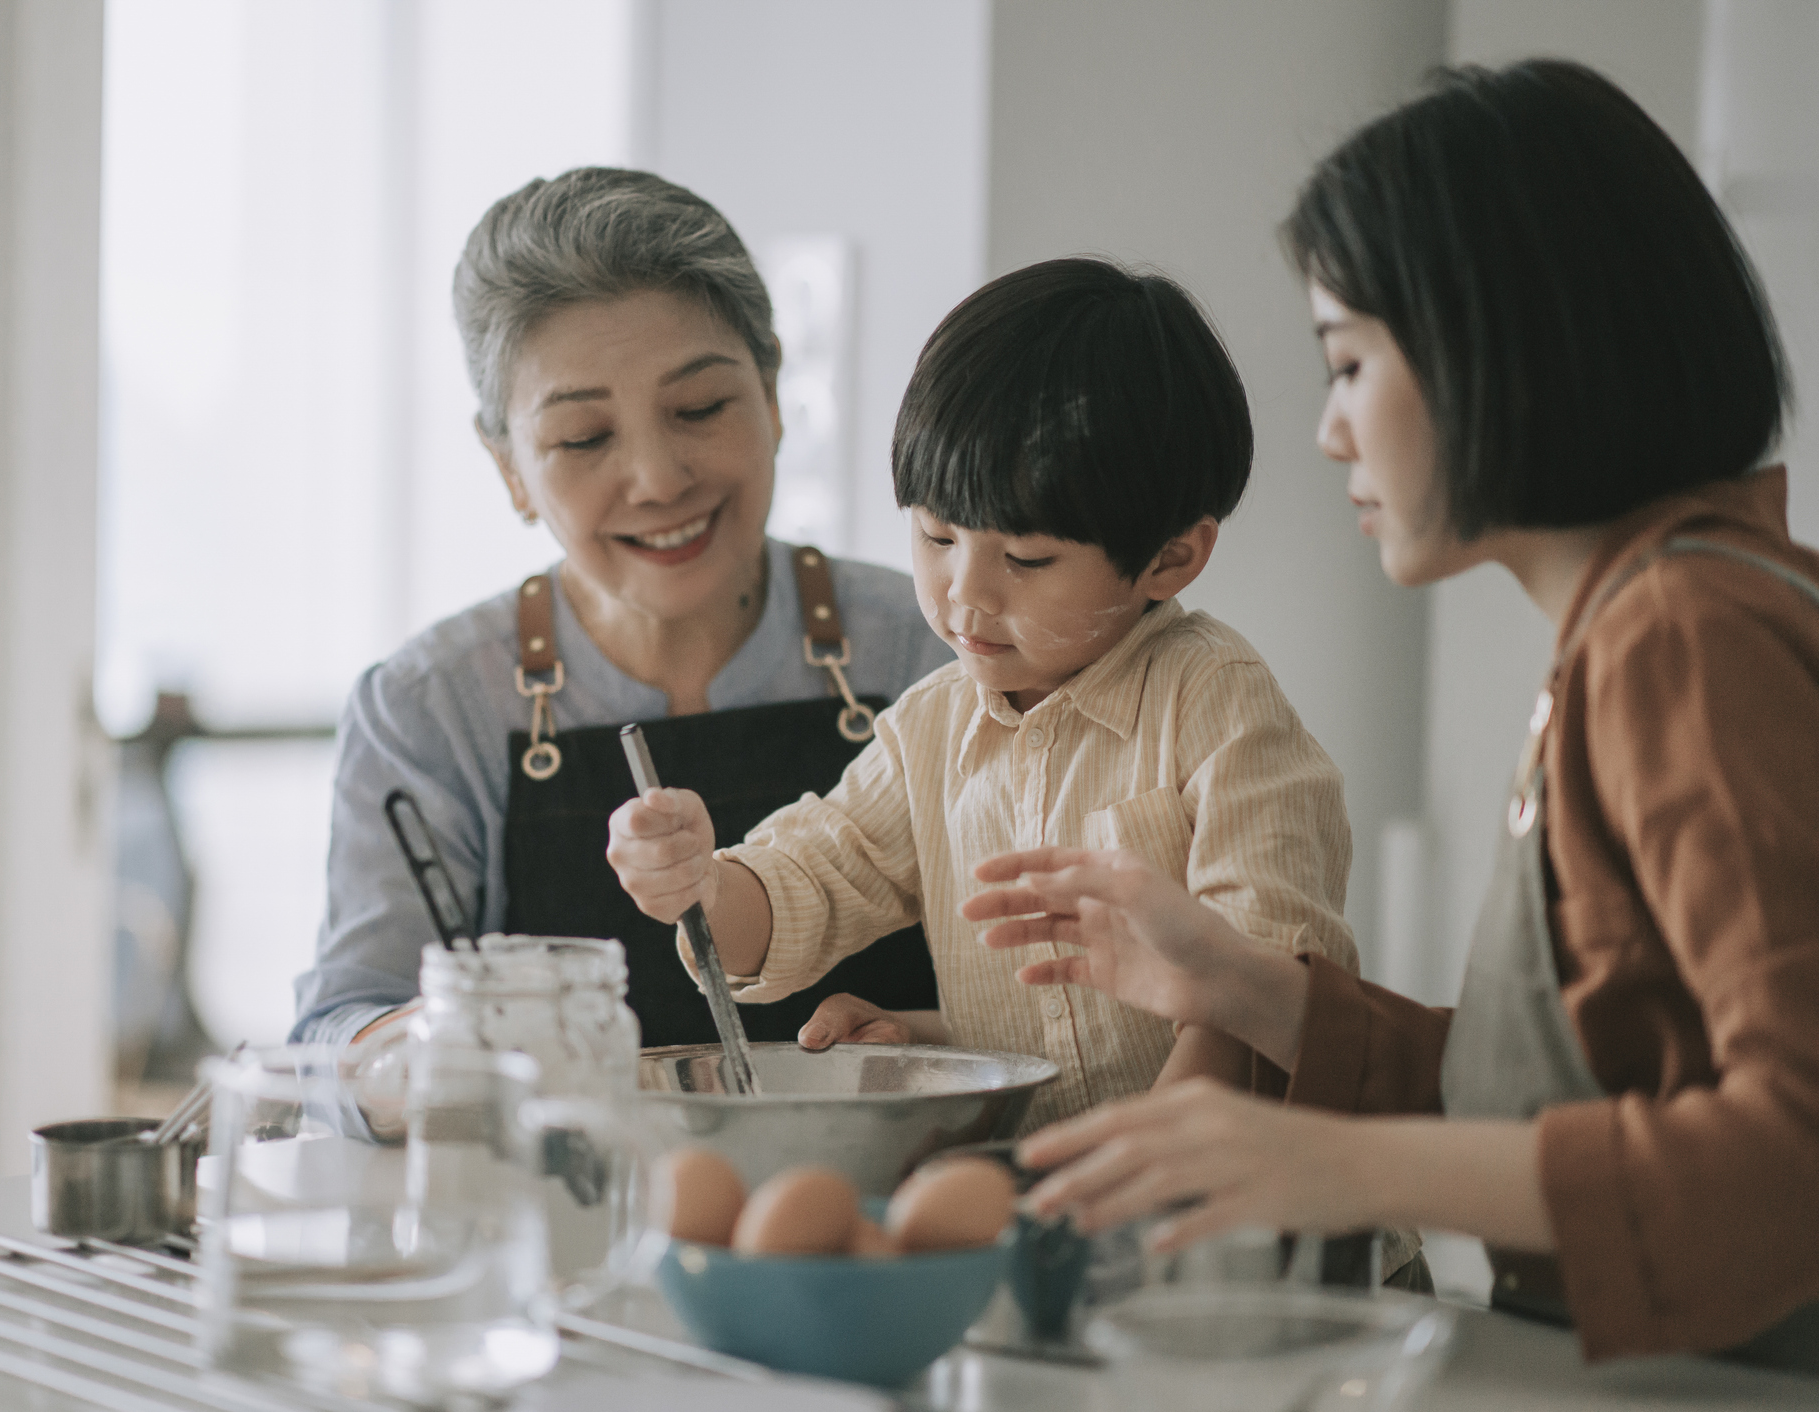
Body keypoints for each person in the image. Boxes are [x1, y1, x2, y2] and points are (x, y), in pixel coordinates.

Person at [966, 60, 1819, 1369]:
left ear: (1508, 348)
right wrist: (1249, 990)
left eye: (1349, 361)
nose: (1327, 432)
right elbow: (1572, 1090)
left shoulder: (1680, 638)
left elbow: (1790, 1148)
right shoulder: (1643, 623)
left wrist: (1343, 1166)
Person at [608, 256, 1358, 1131]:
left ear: (1171, 558)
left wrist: (1130, 1177)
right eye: (936, 536)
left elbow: (1260, 989)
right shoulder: (934, 727)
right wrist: (700, 881)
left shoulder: (1214, 704)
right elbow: (812, 878)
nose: (965, 595)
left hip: (1249, 1222)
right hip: (1055, 1203)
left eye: (1028, 560)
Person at [290, 167, 953, 1052]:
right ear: (510, 469)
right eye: (584, 438)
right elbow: (338, 1034)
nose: (657, 478)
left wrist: (934, 1040)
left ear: (773, 397)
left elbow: (1060, 1004)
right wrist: (448, 1040)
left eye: (700, 407)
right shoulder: (428, 708)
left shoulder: (936, 646)